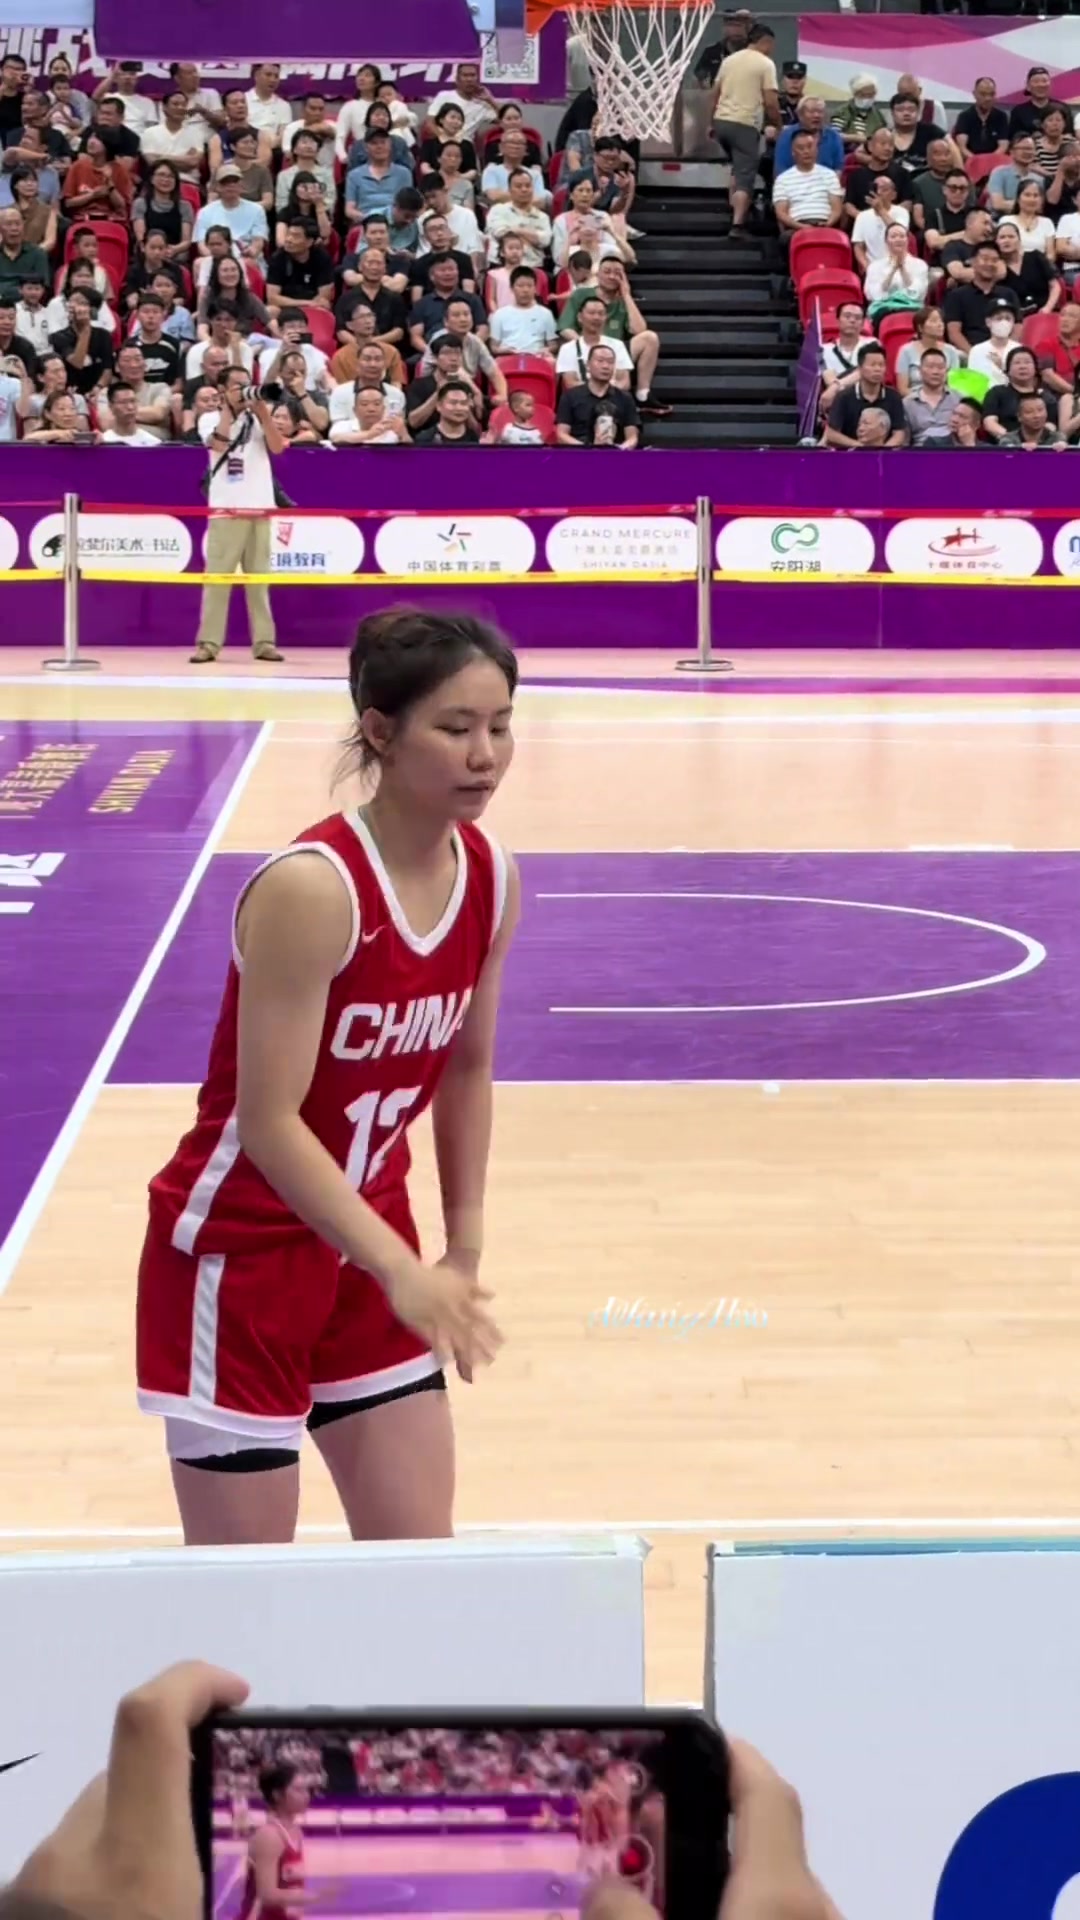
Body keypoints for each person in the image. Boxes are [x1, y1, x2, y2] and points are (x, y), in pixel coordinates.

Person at [136, 609, 516, 1544]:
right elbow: (269, 1123)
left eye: (501, 726)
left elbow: (466, 1068)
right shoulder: (312, 889)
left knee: (417, 1567)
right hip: (241, 1253)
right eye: (455, 728)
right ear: (379, 730)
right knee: (251, 1602)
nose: (485, 756)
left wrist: (460, 1251)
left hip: (368, 1236)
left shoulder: (492, 876)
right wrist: (401, 1270)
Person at [5, 1659, 844, 1920]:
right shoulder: (264, 1837)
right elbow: (273, 1897)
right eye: (299, 1788)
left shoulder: (281, 1829)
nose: (306, 1794)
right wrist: (314, 1893)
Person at [188, 363, 285, 666]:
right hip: (226, 510)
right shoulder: (210, 418)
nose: (245, 390)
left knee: (259, 581)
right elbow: (218, 444)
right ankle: (208, 644)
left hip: (260, 507)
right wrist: (229, 410)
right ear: (222, 390)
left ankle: (265, 642)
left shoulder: (257, 418)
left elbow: (278, 448)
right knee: (218, 580)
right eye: (238, 386)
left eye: (247, 384)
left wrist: (263, 413)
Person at [710, 22, 780, 234]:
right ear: (765, 42)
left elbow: (715, 93)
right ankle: (737, 224)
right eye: (771, 45)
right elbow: (771, 102)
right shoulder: (765, 64)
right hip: (744, 124)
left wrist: (710, 122)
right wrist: (778, 125)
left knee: (737, 167)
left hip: (721, 121)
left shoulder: (729, 60)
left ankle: (732, 208)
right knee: (745, 177)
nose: (772, 50)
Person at [239, 1765, 312, 1920]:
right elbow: (267, 1895)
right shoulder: (269, 1836)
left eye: (306, 1789)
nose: (306, 1795)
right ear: (277, 1795)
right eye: (298, 1790)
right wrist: (317, 1896)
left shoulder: (296, 1832)